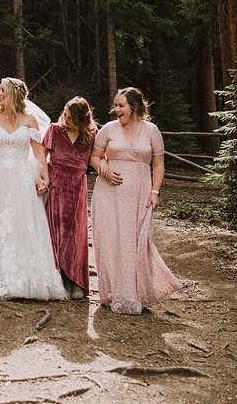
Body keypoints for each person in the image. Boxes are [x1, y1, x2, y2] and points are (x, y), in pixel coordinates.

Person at [0, 78, 68, 300]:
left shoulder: (29, 119)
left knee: (21, 226)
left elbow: (39, 154)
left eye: (3, 90)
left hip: (21, 181)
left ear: (16, 95)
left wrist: (44, 179)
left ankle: (23, 281)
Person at [89, 87, 181, 313]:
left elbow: (158, 164)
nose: (116, 110)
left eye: (121, 105)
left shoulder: (151, 131)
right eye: (116, 105)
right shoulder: (109, 129)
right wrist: (103, 168)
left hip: (139, 193)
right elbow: (94, 156)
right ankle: (112, 292)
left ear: (135, 106)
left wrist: (155, 192)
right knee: (111, 241)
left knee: (135, 242)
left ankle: (133, 293)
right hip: (108, 193)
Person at [43, 96, 97, 300]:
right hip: (56, 184)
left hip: (77, 186)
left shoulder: (92, 134)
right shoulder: (55, 130)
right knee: (56, 231)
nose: (64, 119)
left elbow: (96, 156)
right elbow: (41, 154)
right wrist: (45, 179)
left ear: (81, 119)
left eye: (69, 117)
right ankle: (60, 277)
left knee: (76, 233)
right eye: (64, 114)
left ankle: (76, 280)